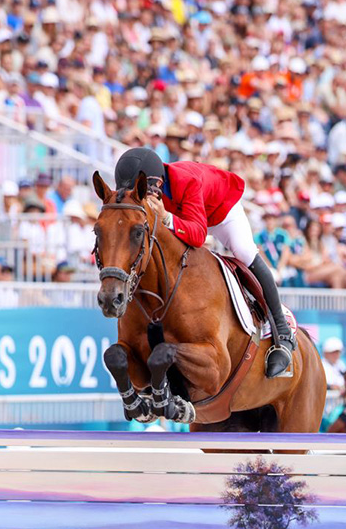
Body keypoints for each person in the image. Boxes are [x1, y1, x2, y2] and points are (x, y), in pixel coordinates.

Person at [113, 147, 295, 378]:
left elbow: (198, 235)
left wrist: (168, 217)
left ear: (156, 183)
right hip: (187, 216)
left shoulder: (185, 181)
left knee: (245, 251)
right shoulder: (152, 191)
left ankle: (282, 332)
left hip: (221, 212)